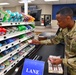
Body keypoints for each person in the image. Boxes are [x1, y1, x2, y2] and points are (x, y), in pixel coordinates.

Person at [31, 7, 76, 75]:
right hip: (70, 67)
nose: (57, 23)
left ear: (68, 18)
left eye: (59, 21)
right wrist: (39, 42)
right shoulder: (64, 30)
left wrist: (62, 61)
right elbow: (55, 40)